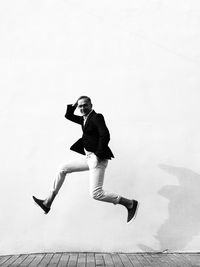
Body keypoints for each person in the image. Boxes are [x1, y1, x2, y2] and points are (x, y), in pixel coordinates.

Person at [33, 96, 139, 223]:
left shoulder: (96, 117)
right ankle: (47, 202)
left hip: (97, 159)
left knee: (96, 194)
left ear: (91, 105)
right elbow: (68, 116)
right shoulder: (84, 119)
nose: (82, 108)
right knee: (62, 168)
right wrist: (74, 104)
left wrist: (98, 155)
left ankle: (130, 203)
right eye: (80, 106)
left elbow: (105, 135)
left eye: (85, 105)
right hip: (89, 157)